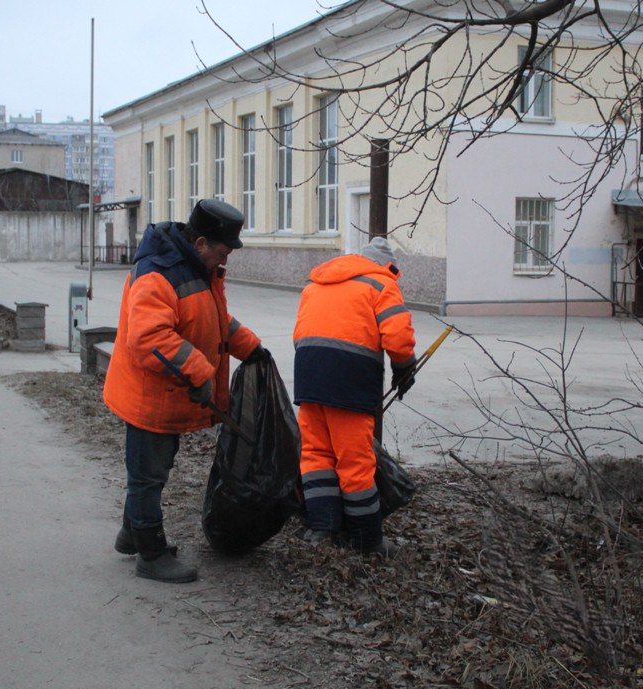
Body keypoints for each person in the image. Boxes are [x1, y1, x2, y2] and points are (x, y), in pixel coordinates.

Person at [103, 199, 267, 583]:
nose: (225, 261)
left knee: (154, 470)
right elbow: (149, 338)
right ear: (201, 244)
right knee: (147, 475)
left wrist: (250, 346)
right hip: (148, 398)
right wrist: (200, 372)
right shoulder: (158, 274)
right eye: (223, 252)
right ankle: (151, 553)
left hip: (166, 396)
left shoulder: (195, 268)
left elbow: (213, 319)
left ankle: (132, 534)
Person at [293, 236, 416, 556]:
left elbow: (301, 333)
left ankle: (323, 529)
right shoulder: (381, 283)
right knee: (354, 460)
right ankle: (366, 539)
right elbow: (398, 334)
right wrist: (404, 368)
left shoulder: (318, 283)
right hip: (347, 380)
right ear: (388, 265)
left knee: (317, 453)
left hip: (308, 376)